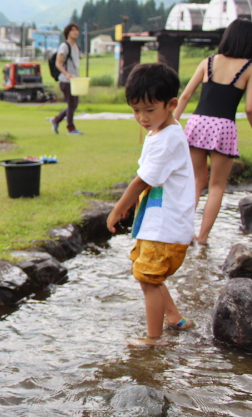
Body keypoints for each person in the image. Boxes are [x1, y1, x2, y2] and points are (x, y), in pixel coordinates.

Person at [107, 63, 195, 346]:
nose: (142, 118)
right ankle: (174, 318)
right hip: (159, 224)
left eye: (149, 109)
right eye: (135, 110)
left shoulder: (166, 139)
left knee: (149, 279)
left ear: (171, 105)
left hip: (165, 229)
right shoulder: (162, 130)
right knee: (148, 274)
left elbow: (141, 181)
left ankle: (153, 339)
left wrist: (119, 208)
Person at [174, 18, 252, 246]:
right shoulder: (248, 67)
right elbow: (249, 108)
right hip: (224, 127)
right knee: (217, 186)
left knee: (196, 181)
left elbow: (186, 95)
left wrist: (169, 124)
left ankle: (183, 233)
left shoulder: (208, 62)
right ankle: (202, 239)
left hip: (198, 123)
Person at [50, 23, 83, 135]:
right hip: (65, 80)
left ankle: (56, 120)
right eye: (73, 30)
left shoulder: (76, 46)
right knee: (71, 104)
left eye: (77, 30)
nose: (76, 32)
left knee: (73, 104)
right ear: (68, 32)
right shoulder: (64, 46)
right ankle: (70, 128)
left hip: (74, 81)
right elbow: (58, 63)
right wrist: (67, 74)